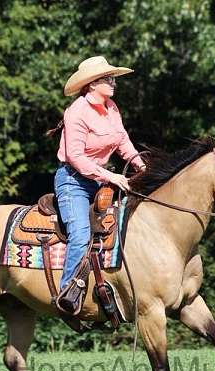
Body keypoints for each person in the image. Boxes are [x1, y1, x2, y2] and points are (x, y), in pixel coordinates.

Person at [54, 56, 146, 312]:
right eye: (107, 78)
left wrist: (142, 166)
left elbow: (122, 142)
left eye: (112, 77)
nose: (113, 82)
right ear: (92, 84)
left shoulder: (112, 107)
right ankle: (68, 292)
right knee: (81, 233)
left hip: (99, 180)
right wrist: (112, 176)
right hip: (73, 181)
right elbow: (76, 157)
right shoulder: (77, 112)